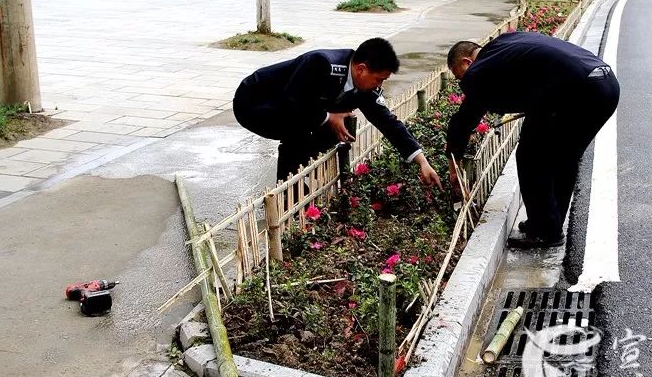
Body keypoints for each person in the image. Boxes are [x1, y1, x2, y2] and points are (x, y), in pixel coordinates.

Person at [445, 32, 619, 248]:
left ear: (466, 62)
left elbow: (465, 120)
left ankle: (545, 231)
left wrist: (454, 166)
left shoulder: (479, 69)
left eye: (458, 75)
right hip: (606, 85)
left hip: (578, 92)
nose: (462, 82)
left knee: (532, 156)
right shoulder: (505, 43)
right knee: (564, 158)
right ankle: (548, 226)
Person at [234, 38, 443, 188]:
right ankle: (290, 187)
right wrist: (328, 116)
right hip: (255, 104)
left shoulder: (363, 87)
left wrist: (422, 161)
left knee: (334, 129)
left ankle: (293, 178)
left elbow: (387, 122)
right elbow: (293, 102)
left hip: (294, 107)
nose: (380, 85)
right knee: (307, 126)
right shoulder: (321, 63)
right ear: (361, 69)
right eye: (379, 79)